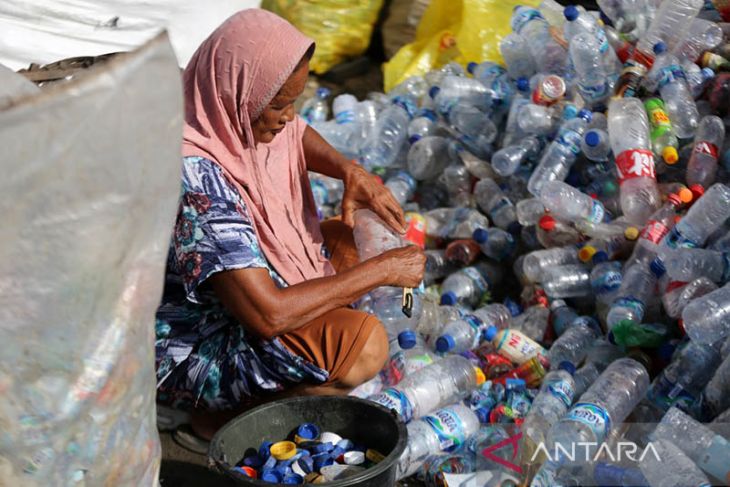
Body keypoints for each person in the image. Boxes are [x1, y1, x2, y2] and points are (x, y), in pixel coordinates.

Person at [154, 9, 426, 446]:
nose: (287, 117)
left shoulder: (224, 107)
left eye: (294, 102)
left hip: (237, 301)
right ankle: (219, 421)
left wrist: (348, 169)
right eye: (279, 104)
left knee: (347, 241)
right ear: (238, 91)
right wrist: (384, 272)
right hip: (190, 343)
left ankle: (298, 364)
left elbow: (294, 134)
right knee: (363, 346)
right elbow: (269, 314)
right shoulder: (199, 178)